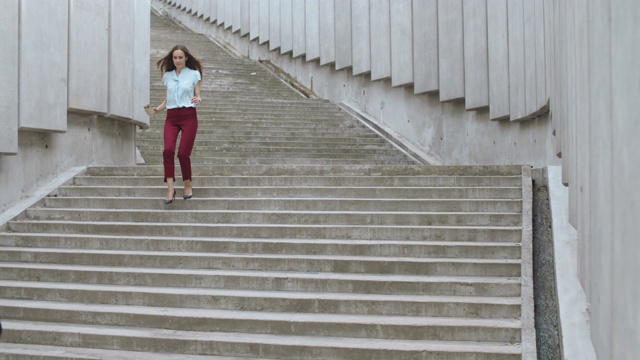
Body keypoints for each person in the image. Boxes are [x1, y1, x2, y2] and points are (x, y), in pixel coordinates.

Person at [145, 45, 203, 205]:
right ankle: (170, 189)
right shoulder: (168, 76)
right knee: (168, 150)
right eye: (174, 58)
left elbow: (198, 95)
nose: (177, 60)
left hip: (189, 116)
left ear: (186, 58)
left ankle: (187, 184)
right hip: (171, 118)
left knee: (183, 153)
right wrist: (157, 109)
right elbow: (168, 98)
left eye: (180, 57)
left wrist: (198, 99)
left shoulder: (194, 74)